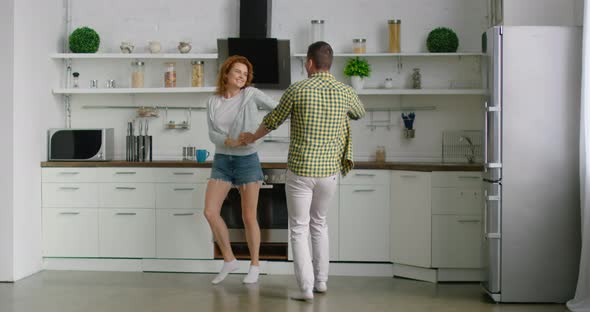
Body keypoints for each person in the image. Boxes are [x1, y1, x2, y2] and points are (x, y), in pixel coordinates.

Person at [240, 41, 366, 300]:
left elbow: (272, 121)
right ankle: (321, 282)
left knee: (299, 227)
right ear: (330, 64)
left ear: (309, 62)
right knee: (319, 224)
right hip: (329, 172)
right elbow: (359, 113)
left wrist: (252, 136)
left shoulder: (297, 89)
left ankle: (306, 288)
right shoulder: (345, 91)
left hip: (301, 170)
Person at [203, 55, 277, 285]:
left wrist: (256, 135)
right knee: (210, 212)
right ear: (226, 74)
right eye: (237, 72)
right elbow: (212, 133)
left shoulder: (251, 95)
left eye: (245, 74)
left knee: (248, 216)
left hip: (247, 160)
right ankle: (229, 259)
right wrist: (228, 142)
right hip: (222, 160)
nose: (242, 77)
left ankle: (255, 265)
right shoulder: (213, 101)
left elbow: (278, 110)